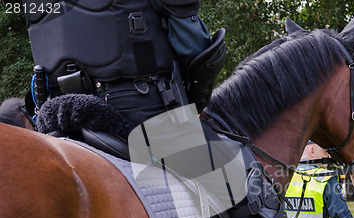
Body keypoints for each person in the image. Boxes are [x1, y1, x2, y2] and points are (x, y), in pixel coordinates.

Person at [22, 0, 226, 126]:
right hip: (142, 109)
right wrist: (197, 101)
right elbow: (194, 47)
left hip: (57, 117)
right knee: (228, 184)